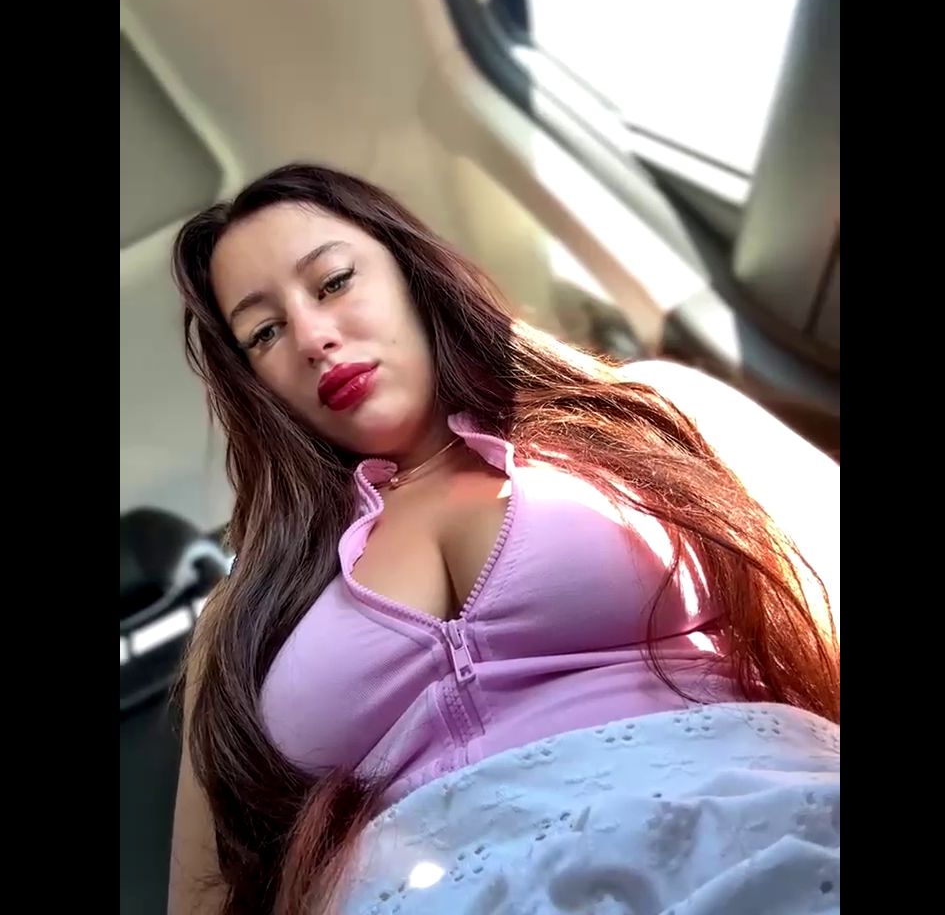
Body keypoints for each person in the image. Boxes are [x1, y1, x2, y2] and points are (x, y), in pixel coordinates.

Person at [167, 163, 839, 915]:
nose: (313, 338)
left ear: (410, 270)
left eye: (334, 282)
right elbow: (206, 898)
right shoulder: (241, 622)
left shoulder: (651, 418)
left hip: (747, 843)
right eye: (263, 333)